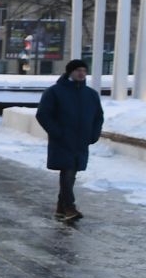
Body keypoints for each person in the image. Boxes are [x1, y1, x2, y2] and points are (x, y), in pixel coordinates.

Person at [35, 59, 104, 223]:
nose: (81, 73)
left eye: (84, 70)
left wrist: (94, 135)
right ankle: (69, 207)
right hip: (63, 140)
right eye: (78, 70)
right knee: (68, 171)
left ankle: (61, 207)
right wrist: (58, 133)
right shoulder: (55, 92)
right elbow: (43, 114)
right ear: (69, 72)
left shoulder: (91, 94)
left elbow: (98, 116)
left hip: (81, 141)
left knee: (71, 173)